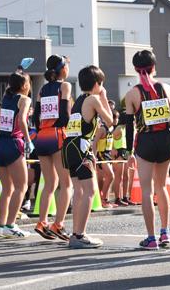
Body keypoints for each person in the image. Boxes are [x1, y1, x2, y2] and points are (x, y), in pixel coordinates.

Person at [124, 50, 170, 249]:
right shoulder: (167, 89)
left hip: (146, 141)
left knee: (147, 191)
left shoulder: (132, 94)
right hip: (165, 139)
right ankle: (165, 233)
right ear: (154, 66)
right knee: (161, 186)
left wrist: (129, 153)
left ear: (135, 69)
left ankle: (151, 237)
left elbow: (130, 127)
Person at [62, 65, 113, 248]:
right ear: (98, 83)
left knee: (79, 191)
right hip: (81, 147)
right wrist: (104, 97)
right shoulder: (93, 99)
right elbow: (110, 120)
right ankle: (79, 234)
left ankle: (76, 233)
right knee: (90, 191)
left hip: (69, 146)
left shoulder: (79, 100)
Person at [33, 55, 73, 241]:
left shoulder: (42, 89)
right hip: (58, 134)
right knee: (66, 183)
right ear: (62, 68)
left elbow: (36, 117)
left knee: (49, 183)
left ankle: (42, 222)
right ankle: (59, 224)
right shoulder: (65, 86)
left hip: (42, 135)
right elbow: (65, 115)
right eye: (68, 65)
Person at [0, 70, 33, 238]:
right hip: (14, 143)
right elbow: (22, 120)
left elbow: (0, 122)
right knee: (21, 187)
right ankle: (11, 224)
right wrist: (29, 140)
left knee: (7, 188)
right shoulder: (25, 99)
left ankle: (2, 226)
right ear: (24, 85)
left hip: (0, 143)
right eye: (29, 82)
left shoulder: (6, 98)